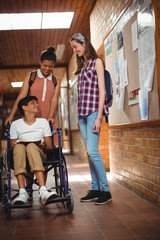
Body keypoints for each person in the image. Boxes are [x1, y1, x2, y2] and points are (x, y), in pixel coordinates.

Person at [5, 47, 60, 196]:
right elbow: (22, 96)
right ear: (40, 63)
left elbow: (54, 100)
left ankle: (43, 188)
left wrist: (51, 116)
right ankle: (28, 187)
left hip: (47, 118)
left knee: (46, 151)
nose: (47, 69)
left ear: (53, 65)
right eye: (45, 65)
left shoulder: (55, 80)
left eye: (51, 66)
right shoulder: (31, 76)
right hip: (31, 115)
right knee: (27, 147)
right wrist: (12, 115)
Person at [70, 33, 112, 205]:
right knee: (89, 152)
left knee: (93, 151)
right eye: (73, 48)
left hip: (94, 112)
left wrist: (99, 116)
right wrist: (79, 118)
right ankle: (95, 188)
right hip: (82, 115)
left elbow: (102, 91)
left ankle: (106, 190)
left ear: (84, 43)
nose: (74, 50)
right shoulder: (81, 67)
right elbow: (81, 95)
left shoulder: (97, 62)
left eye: (75, 46)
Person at [10, 95, 57, 205]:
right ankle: (22, 192)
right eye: (33, 103)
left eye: (37, 102)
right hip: (21, 156)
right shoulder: (15, 125)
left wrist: (45, 144)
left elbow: (50, 147)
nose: (37, 105)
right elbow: (13, 145)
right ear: (24, 107)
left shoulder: (43, 122)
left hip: (39, 153)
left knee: (31, 146)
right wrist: (17, 144)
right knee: (18, 147)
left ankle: (43, 190)